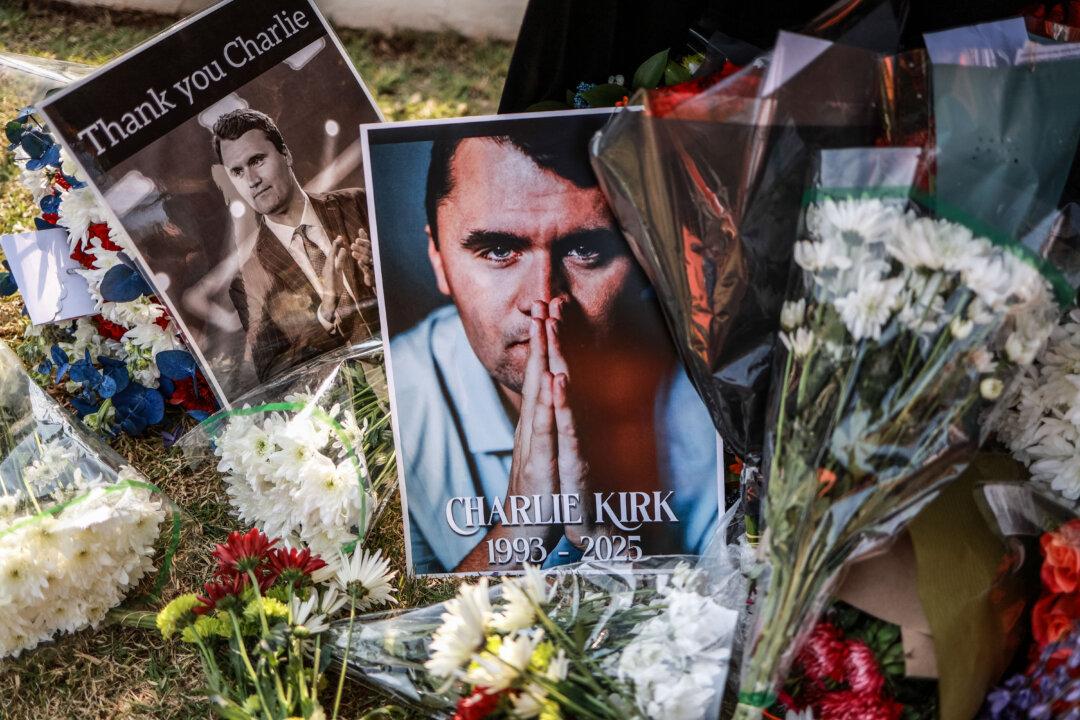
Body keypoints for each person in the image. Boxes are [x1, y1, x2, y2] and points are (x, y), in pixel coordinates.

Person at [389, 122, 719, 573]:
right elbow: (384, 635)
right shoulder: (389, 405)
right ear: (439, 260)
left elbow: (745, 617)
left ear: (645, 256)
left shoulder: (712, 386)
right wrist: (519, 533)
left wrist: (604, 542)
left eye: (586, 248)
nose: (541, 299)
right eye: (498, 250)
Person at [214, 109, 378, 382]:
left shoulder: (358, 203)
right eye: (238, 171)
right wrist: (324, 313)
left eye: (257, 160)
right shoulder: (248, 281)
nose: (251, 180)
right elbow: (274, 376)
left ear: (286, 154)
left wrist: (384, 273)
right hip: (356, 412)